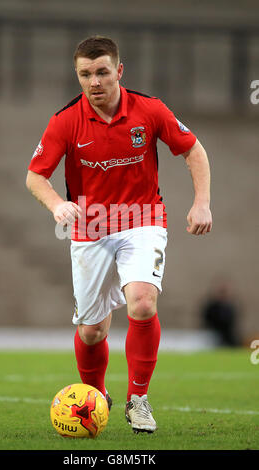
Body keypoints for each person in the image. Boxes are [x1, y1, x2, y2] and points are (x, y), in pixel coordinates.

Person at [26, 36, 212, 434]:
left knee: (143, 303)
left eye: (102, 72)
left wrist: (202, 202)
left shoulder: (149, 109)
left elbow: (193, 149)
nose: (94, 81)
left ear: (119, 71)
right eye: (85, 74)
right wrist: (58, 204)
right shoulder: (65, 121)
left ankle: (138, 400)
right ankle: (94, 399)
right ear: (78, 76)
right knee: (93, 330)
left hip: (143, 220)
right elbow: (34, 176)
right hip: (89, 229)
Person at [201, 280, 241, 347]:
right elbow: (207, 320)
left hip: (228, 336)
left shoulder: (230, 307)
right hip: (213, 335)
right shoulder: (211, 307)